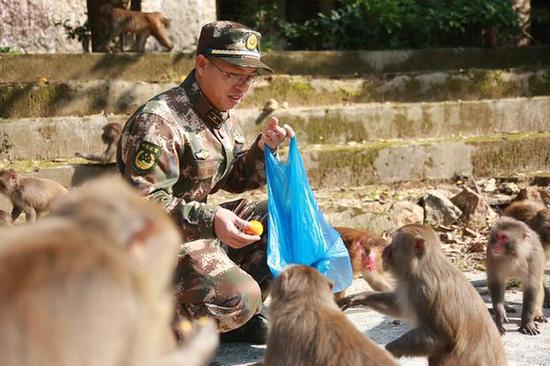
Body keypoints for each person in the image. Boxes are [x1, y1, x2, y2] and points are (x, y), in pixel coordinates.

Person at [116, 20, 294, 344]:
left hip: (196, 234)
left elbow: (235, 176)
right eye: (233, 74)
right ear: (201, 65)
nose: (242, 86)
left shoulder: (219, 112)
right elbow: (140, 209)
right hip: (156, 249)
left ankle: (234, 318)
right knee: (240, 296)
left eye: (249, 78)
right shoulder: (159, 122)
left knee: (285, 216)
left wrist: (262, 150)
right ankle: (164, 330)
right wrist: (210, 218)